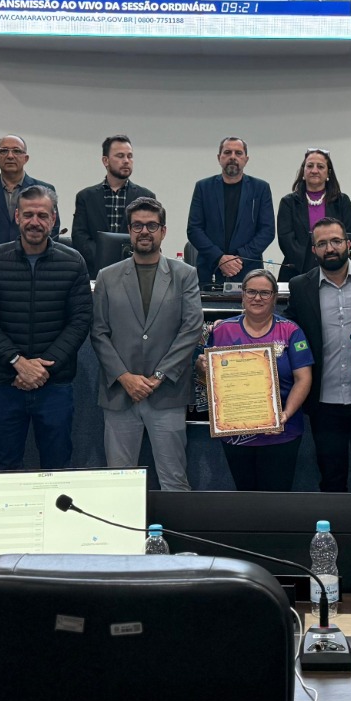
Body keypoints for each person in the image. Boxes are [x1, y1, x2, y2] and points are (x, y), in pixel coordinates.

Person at [0, 186, 92, 470]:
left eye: (42, 215)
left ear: (53, 218)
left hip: (55, 383)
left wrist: (42, 368)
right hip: (5, 382)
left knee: (57, 467)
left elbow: (80, 321)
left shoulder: (73, 262)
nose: (34, 222)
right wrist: (18, 362)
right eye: (28, 215)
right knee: (4, 467)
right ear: (17, 217)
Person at [90, 198, 204, 490]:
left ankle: (174, 525)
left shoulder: (185, 275)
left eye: (151, 226)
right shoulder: (107, 276)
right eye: (138, 225)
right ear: (129, 231)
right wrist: (124, 377)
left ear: (163, 231)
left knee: (174, 480)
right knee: (119, 484)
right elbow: (98, 332)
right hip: (119, 394)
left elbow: (191, 329)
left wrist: (159, 376)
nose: (144, 231)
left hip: (166, 393)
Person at [286, 218, 351, 493]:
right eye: (322, 243)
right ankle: (333, 526)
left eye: (335, 241)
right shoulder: (300, 286)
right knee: (331, 482)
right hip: (324, 403)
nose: (330, 248)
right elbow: (286, 333)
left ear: (348, 243)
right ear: (314, 250)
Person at [205, 269, 314, 491]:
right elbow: (206, 378)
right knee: (246, 499)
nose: (257, 298)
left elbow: (303, 378)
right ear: (242, 295)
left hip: (282, 432)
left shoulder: (290, 331)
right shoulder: (223, 330)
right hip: (236, 433)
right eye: (251, 292)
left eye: (265, 293)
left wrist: (285, 414)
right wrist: (202, 367)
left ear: (274, 297)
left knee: (277, 499)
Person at [186, 137, 274, 287]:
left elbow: (267, 231)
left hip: (247, 270)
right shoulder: (203, 187)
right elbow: (194, 229)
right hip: (210, 270)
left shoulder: (260, 188)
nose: (233, 157)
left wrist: (239, 258)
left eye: (238, 153)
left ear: (246, 159)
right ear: (219, 158)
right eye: (227, 152)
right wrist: (219, 258)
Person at [71, 134, 156, 280]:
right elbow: (80, 237)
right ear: (105, 161)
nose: (126, 161)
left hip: (134, 272)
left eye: (130, 156)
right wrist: (104, 258)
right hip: (94, 273)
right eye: (120, 156)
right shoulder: (86, 197)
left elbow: (150, 234)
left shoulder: (146, 197)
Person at [276, 148, 351, 280]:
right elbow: (286, 239)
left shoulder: (342, 201)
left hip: (336, 270)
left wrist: (331, 260)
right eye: (310, 166)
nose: (314, 170)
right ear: (303, 171)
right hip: (297, 271)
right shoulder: (288, 202)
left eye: (320, 166)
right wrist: (309, 264)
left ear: (328, 173)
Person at [0, 135, 54, 255]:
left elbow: (52, 228)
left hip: (34, 260)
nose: (10, 156)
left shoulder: (45, 190)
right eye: (4, 151)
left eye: (16, 151)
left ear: (26, 158)